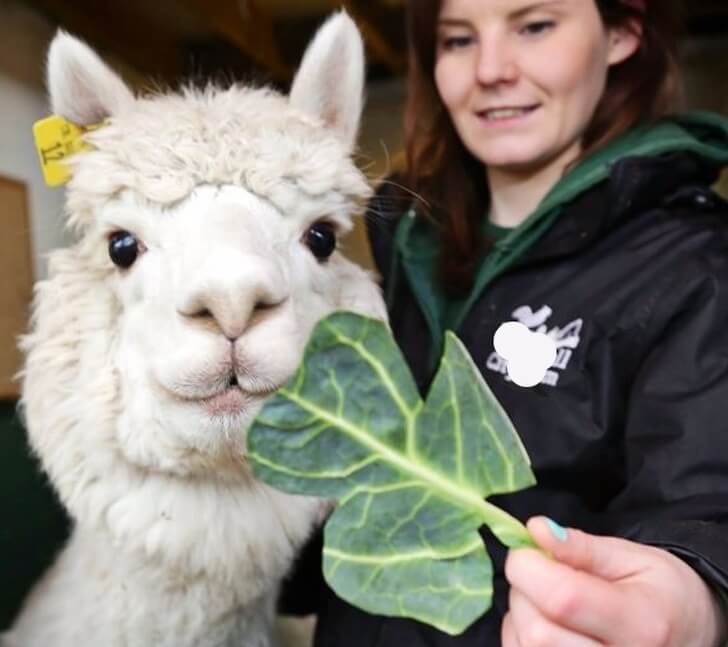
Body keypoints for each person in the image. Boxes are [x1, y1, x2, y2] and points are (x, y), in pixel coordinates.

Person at [280, 0, 728, 645]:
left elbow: (704, 505)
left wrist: (694, 604)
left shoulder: (695, 267)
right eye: (458, 40)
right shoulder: (399, 243)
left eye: (534, 26)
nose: (489, 70)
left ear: (623, 31)